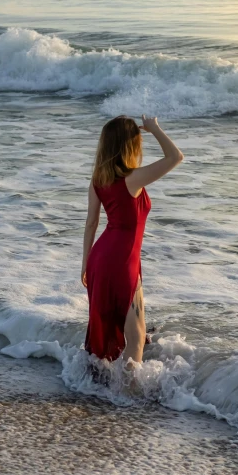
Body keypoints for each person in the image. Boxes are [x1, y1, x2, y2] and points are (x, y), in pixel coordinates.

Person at [81, 114, 184, 364]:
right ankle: (129, 397)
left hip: (100, 258)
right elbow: (175, 157)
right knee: (136, 337)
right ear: (130, 145)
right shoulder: (133, 179)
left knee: (111, 326)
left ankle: (102, 386)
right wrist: (155, 129)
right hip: (121, 260)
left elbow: (91, 223)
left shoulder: (98, 180)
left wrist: (85, 265)